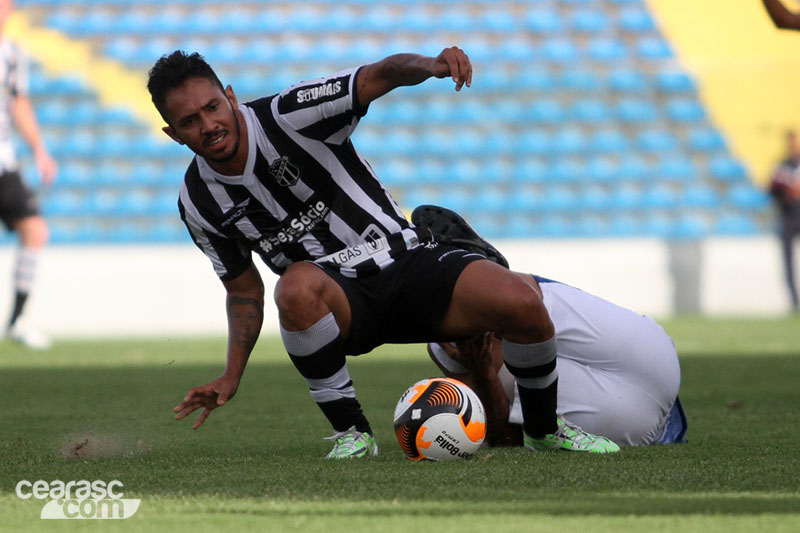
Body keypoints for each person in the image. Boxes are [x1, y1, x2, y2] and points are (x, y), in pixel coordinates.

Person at [147, 48, 620, 459]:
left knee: (522, 301)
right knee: (293, 286)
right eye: (190, 121)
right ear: (173, 133)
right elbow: (243, 290)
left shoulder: (289, 114)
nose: (209, 126)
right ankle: (351, 434)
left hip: (407, 259)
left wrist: (431, 65)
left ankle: (543, 431)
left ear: (230, 97)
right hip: (343, 302)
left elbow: (381, 74)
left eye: (212, 107)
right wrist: (231, 375)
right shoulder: (198, 203)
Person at [428, 276, 687, 448]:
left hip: (627, 418)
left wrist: (482, 373)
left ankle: (486, 277)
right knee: (518, 296)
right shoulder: (445, 339)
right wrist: (482, 371)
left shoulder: (441, 341)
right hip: (657, 360)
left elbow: (506, 439)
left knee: (509, 304)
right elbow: (506, 439)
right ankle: (484, 271)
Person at [0, 0, 57, 350]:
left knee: (34, 230)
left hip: (3, 163)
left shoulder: (11, 54)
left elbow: (18, 102)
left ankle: (17, 319)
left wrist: (39, 150)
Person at [768, 130, 800, 312]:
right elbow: (771, 191)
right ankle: (794, 301)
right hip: (788, 217)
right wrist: (785, 194)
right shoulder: (781, 167)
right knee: (788, 262)